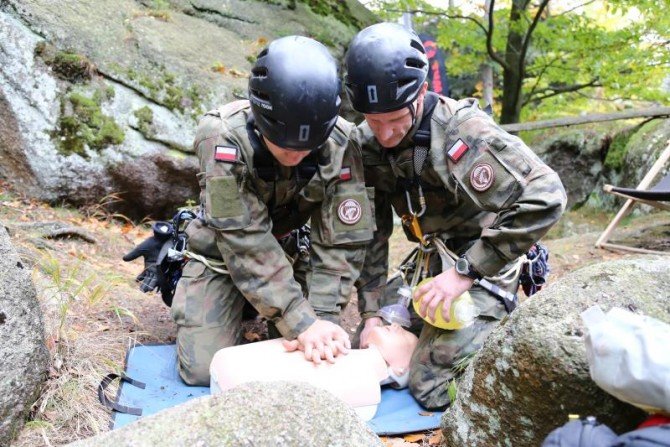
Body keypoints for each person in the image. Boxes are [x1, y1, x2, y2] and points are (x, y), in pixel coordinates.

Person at [344, 22, 567, 409]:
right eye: (372, 120)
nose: (384, 134)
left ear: (422, 93)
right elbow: (371, 236)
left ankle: (502, 334)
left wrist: (465, 272)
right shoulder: (366, 145)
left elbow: (546, 196)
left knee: (429, 385)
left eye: (394, 118)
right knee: (362, 347)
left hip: (485, 267)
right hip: (431, 265)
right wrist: (371, 313)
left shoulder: (461, 133)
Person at [162, 36, 373, 385]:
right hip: (223, 254)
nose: (295, 155)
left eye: (308, 146)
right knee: (203, 371)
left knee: (313, 361)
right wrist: (298, 319)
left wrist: (319, 318)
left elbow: (342, 241)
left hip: (294, 252)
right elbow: (243, 238)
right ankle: (235, 300)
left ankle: (271, 305)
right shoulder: (222, 137)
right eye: (284, 142)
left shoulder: (342, 141)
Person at [209, 323, 419, 421]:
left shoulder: (365, 382)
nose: (395, 324)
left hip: (238, 386)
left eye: (406, 334)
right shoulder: (339, 342)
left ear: (401, 370)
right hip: (231, 370)